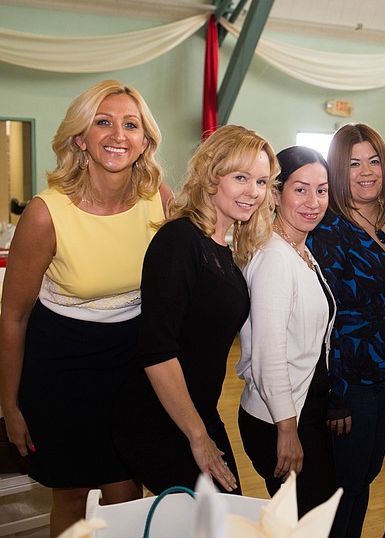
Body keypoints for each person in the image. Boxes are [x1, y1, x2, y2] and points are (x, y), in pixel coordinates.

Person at [0, 80, 170, 536]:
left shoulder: (159, 199)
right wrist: (9, 405)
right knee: (71, 496)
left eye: (130, 125)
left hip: (131, 363)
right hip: (61, 366)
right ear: (80, 138)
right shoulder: (45, 213)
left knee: (126, 495)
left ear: (145, 140)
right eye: (103, 122)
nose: (118, 135)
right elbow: (13, 317)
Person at [112, 125, 277, 495]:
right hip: (157, 421)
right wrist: (198, 436)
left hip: (198, 413)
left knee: (227, 511)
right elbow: (156, 352)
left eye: (262, 182)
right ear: (210, 175)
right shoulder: (179, 240)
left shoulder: (222, 246)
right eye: (241, 177)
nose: (253, 191)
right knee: (221, 515)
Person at [307, 124, 385, 537]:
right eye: (353, 163)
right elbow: (323, 322)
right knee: (343, 486)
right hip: (349, 386)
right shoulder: (326, 231)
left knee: (365, 478)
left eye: (373, 161)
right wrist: (336, 397)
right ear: (337, 170)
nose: (366, 171)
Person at [237, 146, 337, 516]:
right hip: (278, 417)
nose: (313, 202)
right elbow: (268, 355)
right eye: (301, 189)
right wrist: (287, 429)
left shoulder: (299, 251)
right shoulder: (275, 258)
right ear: (276, 195)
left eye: (321, 190)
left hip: (301, 408)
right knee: (307, 521)